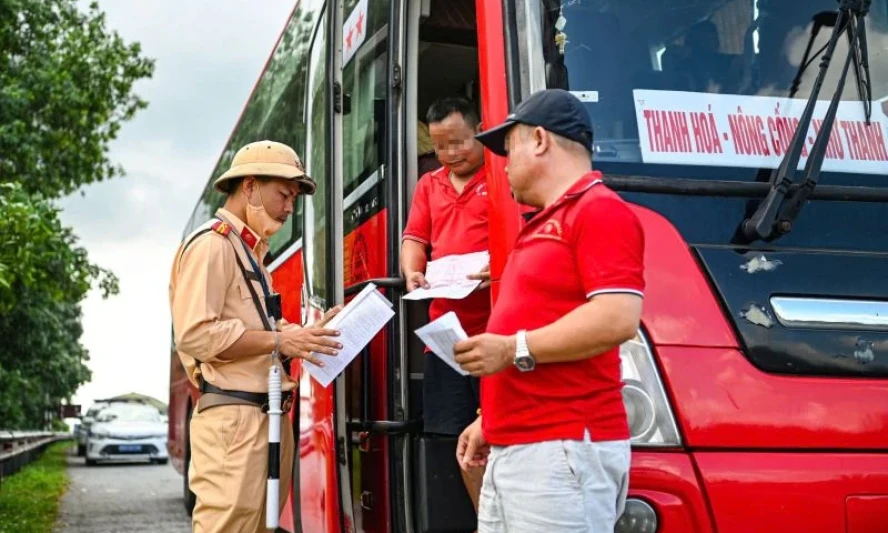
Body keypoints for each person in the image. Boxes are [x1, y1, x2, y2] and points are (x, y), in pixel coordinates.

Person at [454, 89, 645, 533]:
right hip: (525, 448)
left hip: (560, 452)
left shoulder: (598, 211)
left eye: (510, 147)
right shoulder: (546, 221)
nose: (504, 163)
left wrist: (511, 349)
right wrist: (492, 422)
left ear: (540, 139)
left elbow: (617, 316)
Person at [169, 140, 343, 533]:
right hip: (235, 423)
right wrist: (281, 342)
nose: (289, 208)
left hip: (261, 419)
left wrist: (301, 334)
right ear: (248, 187)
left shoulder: (248, 252)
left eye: (293, 198)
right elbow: (196, 334)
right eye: (283, 194)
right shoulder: (212, 245)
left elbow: (257, 327)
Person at [401, 97, 491, 513]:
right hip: (445, 337)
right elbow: (415, 238)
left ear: (481, 129)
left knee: (498, 432)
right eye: (440, 146)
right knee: (454, 436)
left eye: (459, 142)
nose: (450, 154)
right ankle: (484, 519)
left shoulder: (504, 174)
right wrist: (413, 272)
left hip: (495, 333)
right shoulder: (429, 185)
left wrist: (500, 267)